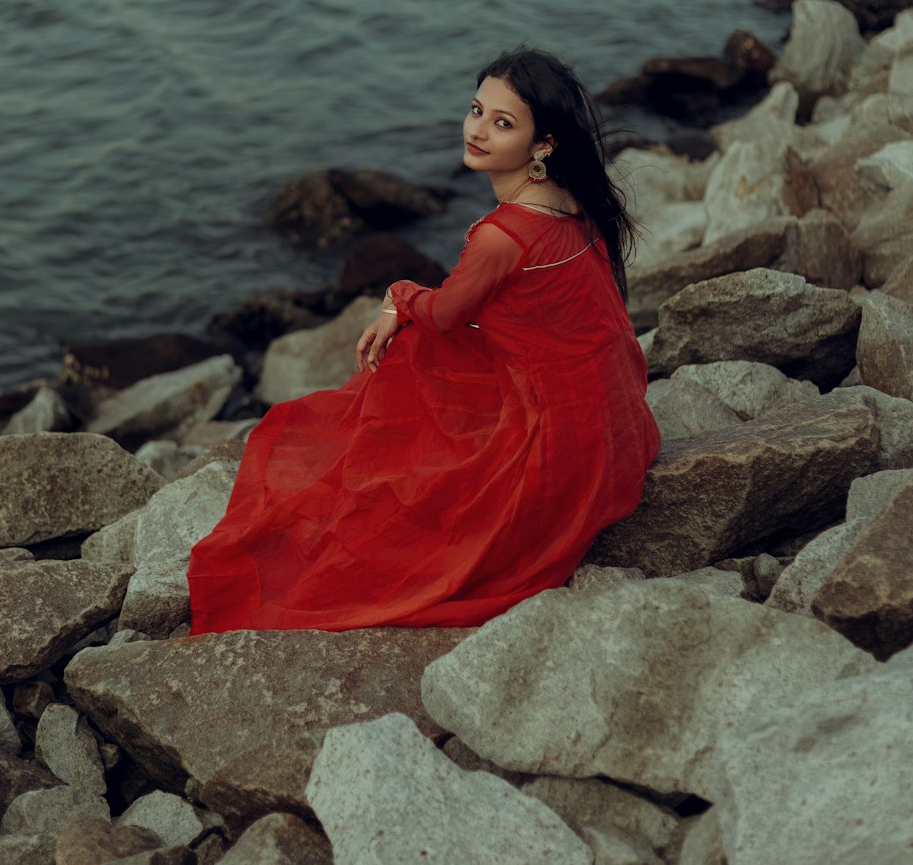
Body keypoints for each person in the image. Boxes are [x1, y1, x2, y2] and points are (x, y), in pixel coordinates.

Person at [188, 46, 660, 633]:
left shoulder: (502, 234)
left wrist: (398, 296)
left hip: (555, 446)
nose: (478, 131)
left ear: (544, 145)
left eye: (503, 123)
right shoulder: (576, 205)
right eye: (476, 110)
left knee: (413, 344)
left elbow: (442, 314)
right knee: (439, 338)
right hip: (611, 418)